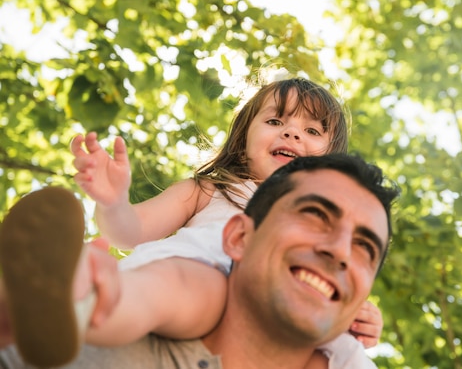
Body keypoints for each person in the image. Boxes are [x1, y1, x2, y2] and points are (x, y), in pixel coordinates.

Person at [0, 78, 382, 367]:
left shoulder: (332, 233)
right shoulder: (211, 189)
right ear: (243, 139)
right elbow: (129, 232)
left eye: (313, 131)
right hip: (196, 274)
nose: (292, 131)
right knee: (177, 288)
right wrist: (114, 201)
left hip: (282, 304)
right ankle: (67, 307)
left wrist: (363, 318)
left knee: (345, 353)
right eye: (276, 119)